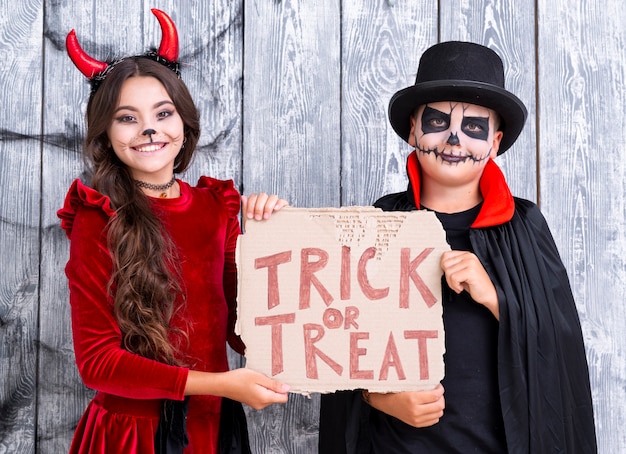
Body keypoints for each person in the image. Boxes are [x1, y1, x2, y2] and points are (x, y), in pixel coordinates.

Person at [318, 41, 597, 453]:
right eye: (436, 121)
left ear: (495, 142)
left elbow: (560, 351)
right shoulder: (376, 223)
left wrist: (498, 298)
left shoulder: (523, 228)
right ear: (413, 128)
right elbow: (335, 346)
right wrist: (379, 399)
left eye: (474, 127)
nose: (453, 138)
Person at [57, 9, 289, 454]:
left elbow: (248, 332)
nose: (148, 128)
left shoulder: (215, 208)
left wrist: (275, 239)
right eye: (127, 117)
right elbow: (98, 364)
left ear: (183, 121)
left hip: (215, 426)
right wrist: (221, 384)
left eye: (162, 112)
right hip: (134, 435)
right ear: (106, 132)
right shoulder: (98, 218)